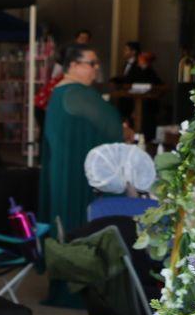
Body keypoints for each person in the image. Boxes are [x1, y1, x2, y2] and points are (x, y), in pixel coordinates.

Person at [41, 44, 131, 234]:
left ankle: (67, 253)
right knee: (80, 222)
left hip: (65, 168)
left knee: (66, 222)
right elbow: (112, 125)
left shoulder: (61, 91)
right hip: (78, 171)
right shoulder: (76, 93)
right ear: (74, 65)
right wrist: (125, 131)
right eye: (92, 63)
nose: (96, 68)